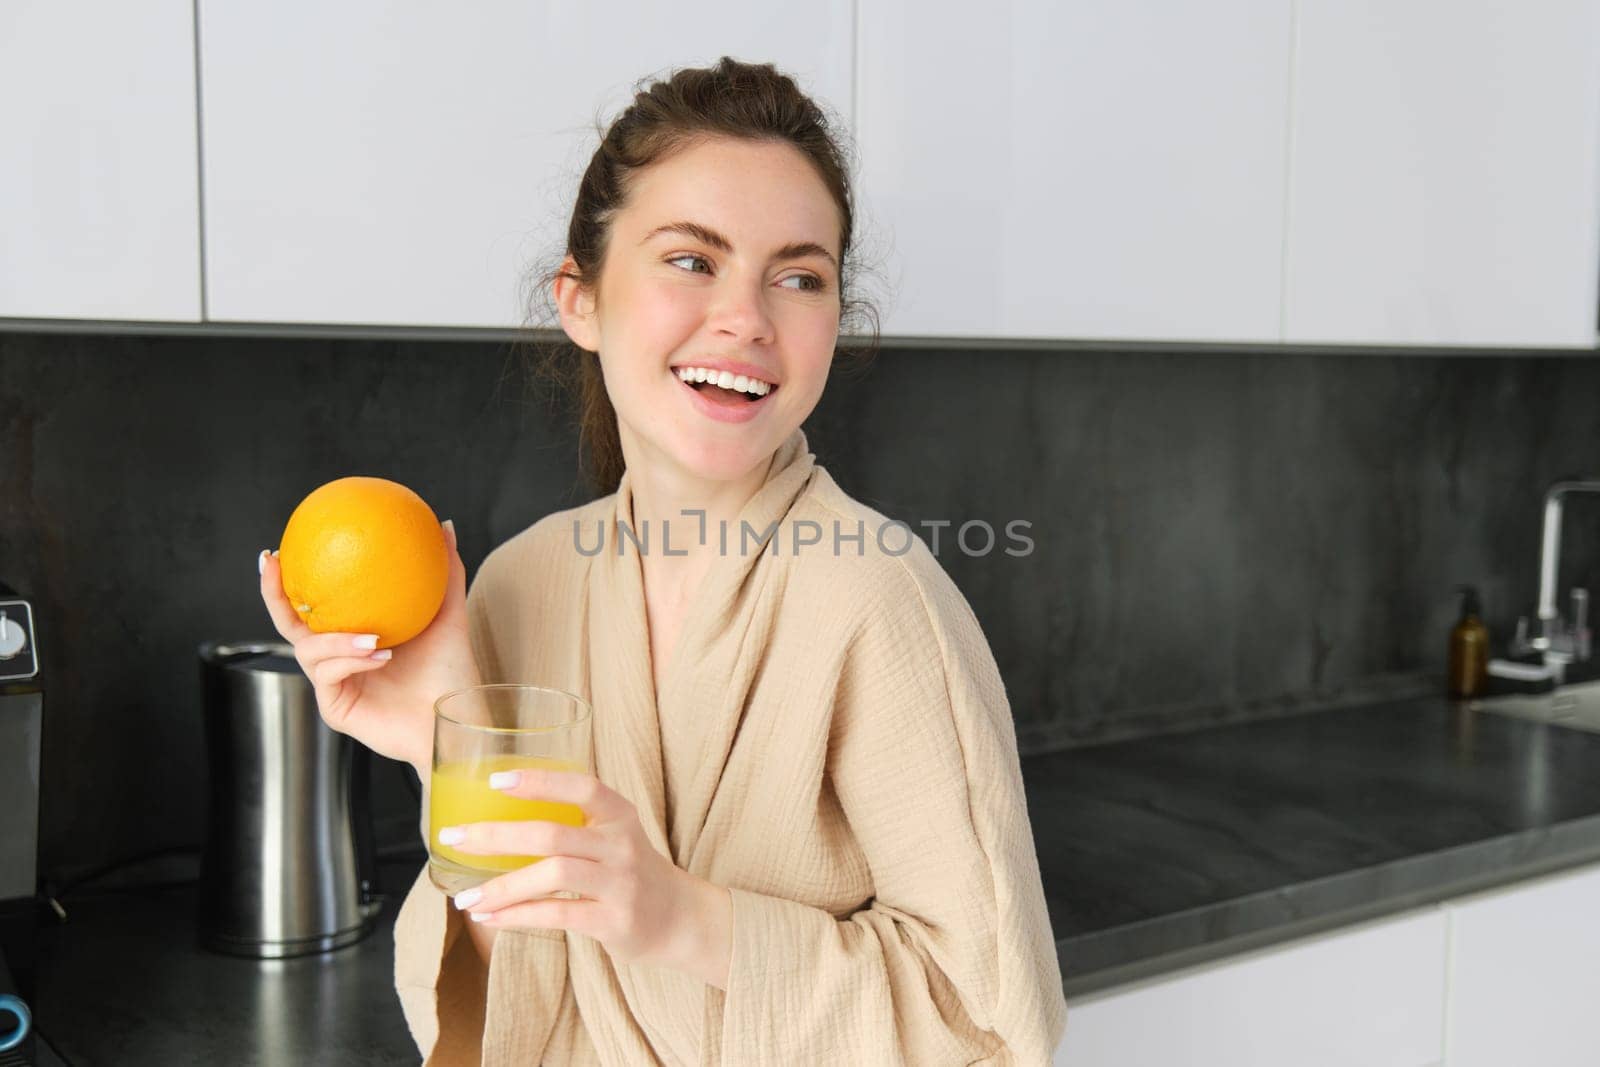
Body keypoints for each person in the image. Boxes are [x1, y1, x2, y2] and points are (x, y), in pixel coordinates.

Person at [260, 56, 1067, 1066]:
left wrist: (681, 915)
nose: (747, 317)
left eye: (798, 275)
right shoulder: (517, 585)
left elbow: (994, 1022)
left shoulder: (879, 603)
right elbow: (504, 1006)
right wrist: (442, 744)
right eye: (692, 259)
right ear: (581, 299)